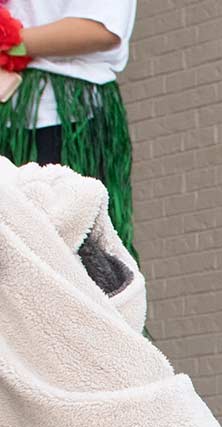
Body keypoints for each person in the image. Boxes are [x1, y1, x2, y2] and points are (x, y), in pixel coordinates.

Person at [0, 1, 134, 257]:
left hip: (68, 117)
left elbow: (99, 29)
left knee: (75, 255)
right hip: (9, 118)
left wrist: (9, 40)